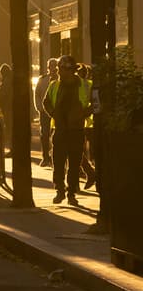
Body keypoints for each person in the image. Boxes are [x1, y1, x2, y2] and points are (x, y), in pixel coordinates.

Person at [43, 54, 92, 206]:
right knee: (58, 162)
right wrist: (53, 114)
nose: (58, 72)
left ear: (70, 70)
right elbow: (46, 102)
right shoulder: (54, 85)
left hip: (76, 130)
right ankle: (60, 191)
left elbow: (94, 104)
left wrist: (83, 114)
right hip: (60, 130)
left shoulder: (85, 85)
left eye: (61, 69)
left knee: (75, 164)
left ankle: (71, 193)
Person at [35, 58, 58, 167]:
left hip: (57, 112)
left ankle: (55, 156)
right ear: (48, 67)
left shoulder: (60, 79)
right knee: (44, 134)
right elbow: (37, 94)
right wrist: (39, 108)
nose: (53, 68)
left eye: (55, 65)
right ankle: (45, 157)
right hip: (44, 112)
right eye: (51, 65)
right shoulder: (42, 80)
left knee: (56, 134)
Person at [78, 63, 96, 190]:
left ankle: (90, 172)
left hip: (85, 122)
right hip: (86, 121)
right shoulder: (89, 84)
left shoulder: (84, 85)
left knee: (77, 150)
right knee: (78, 150)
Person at [0, 63, 14, 154]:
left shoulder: (5, 81)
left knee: (9, 128)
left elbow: (2, 95)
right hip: (11, 107)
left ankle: (12, 148)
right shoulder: (11, 80)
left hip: (8, 108)